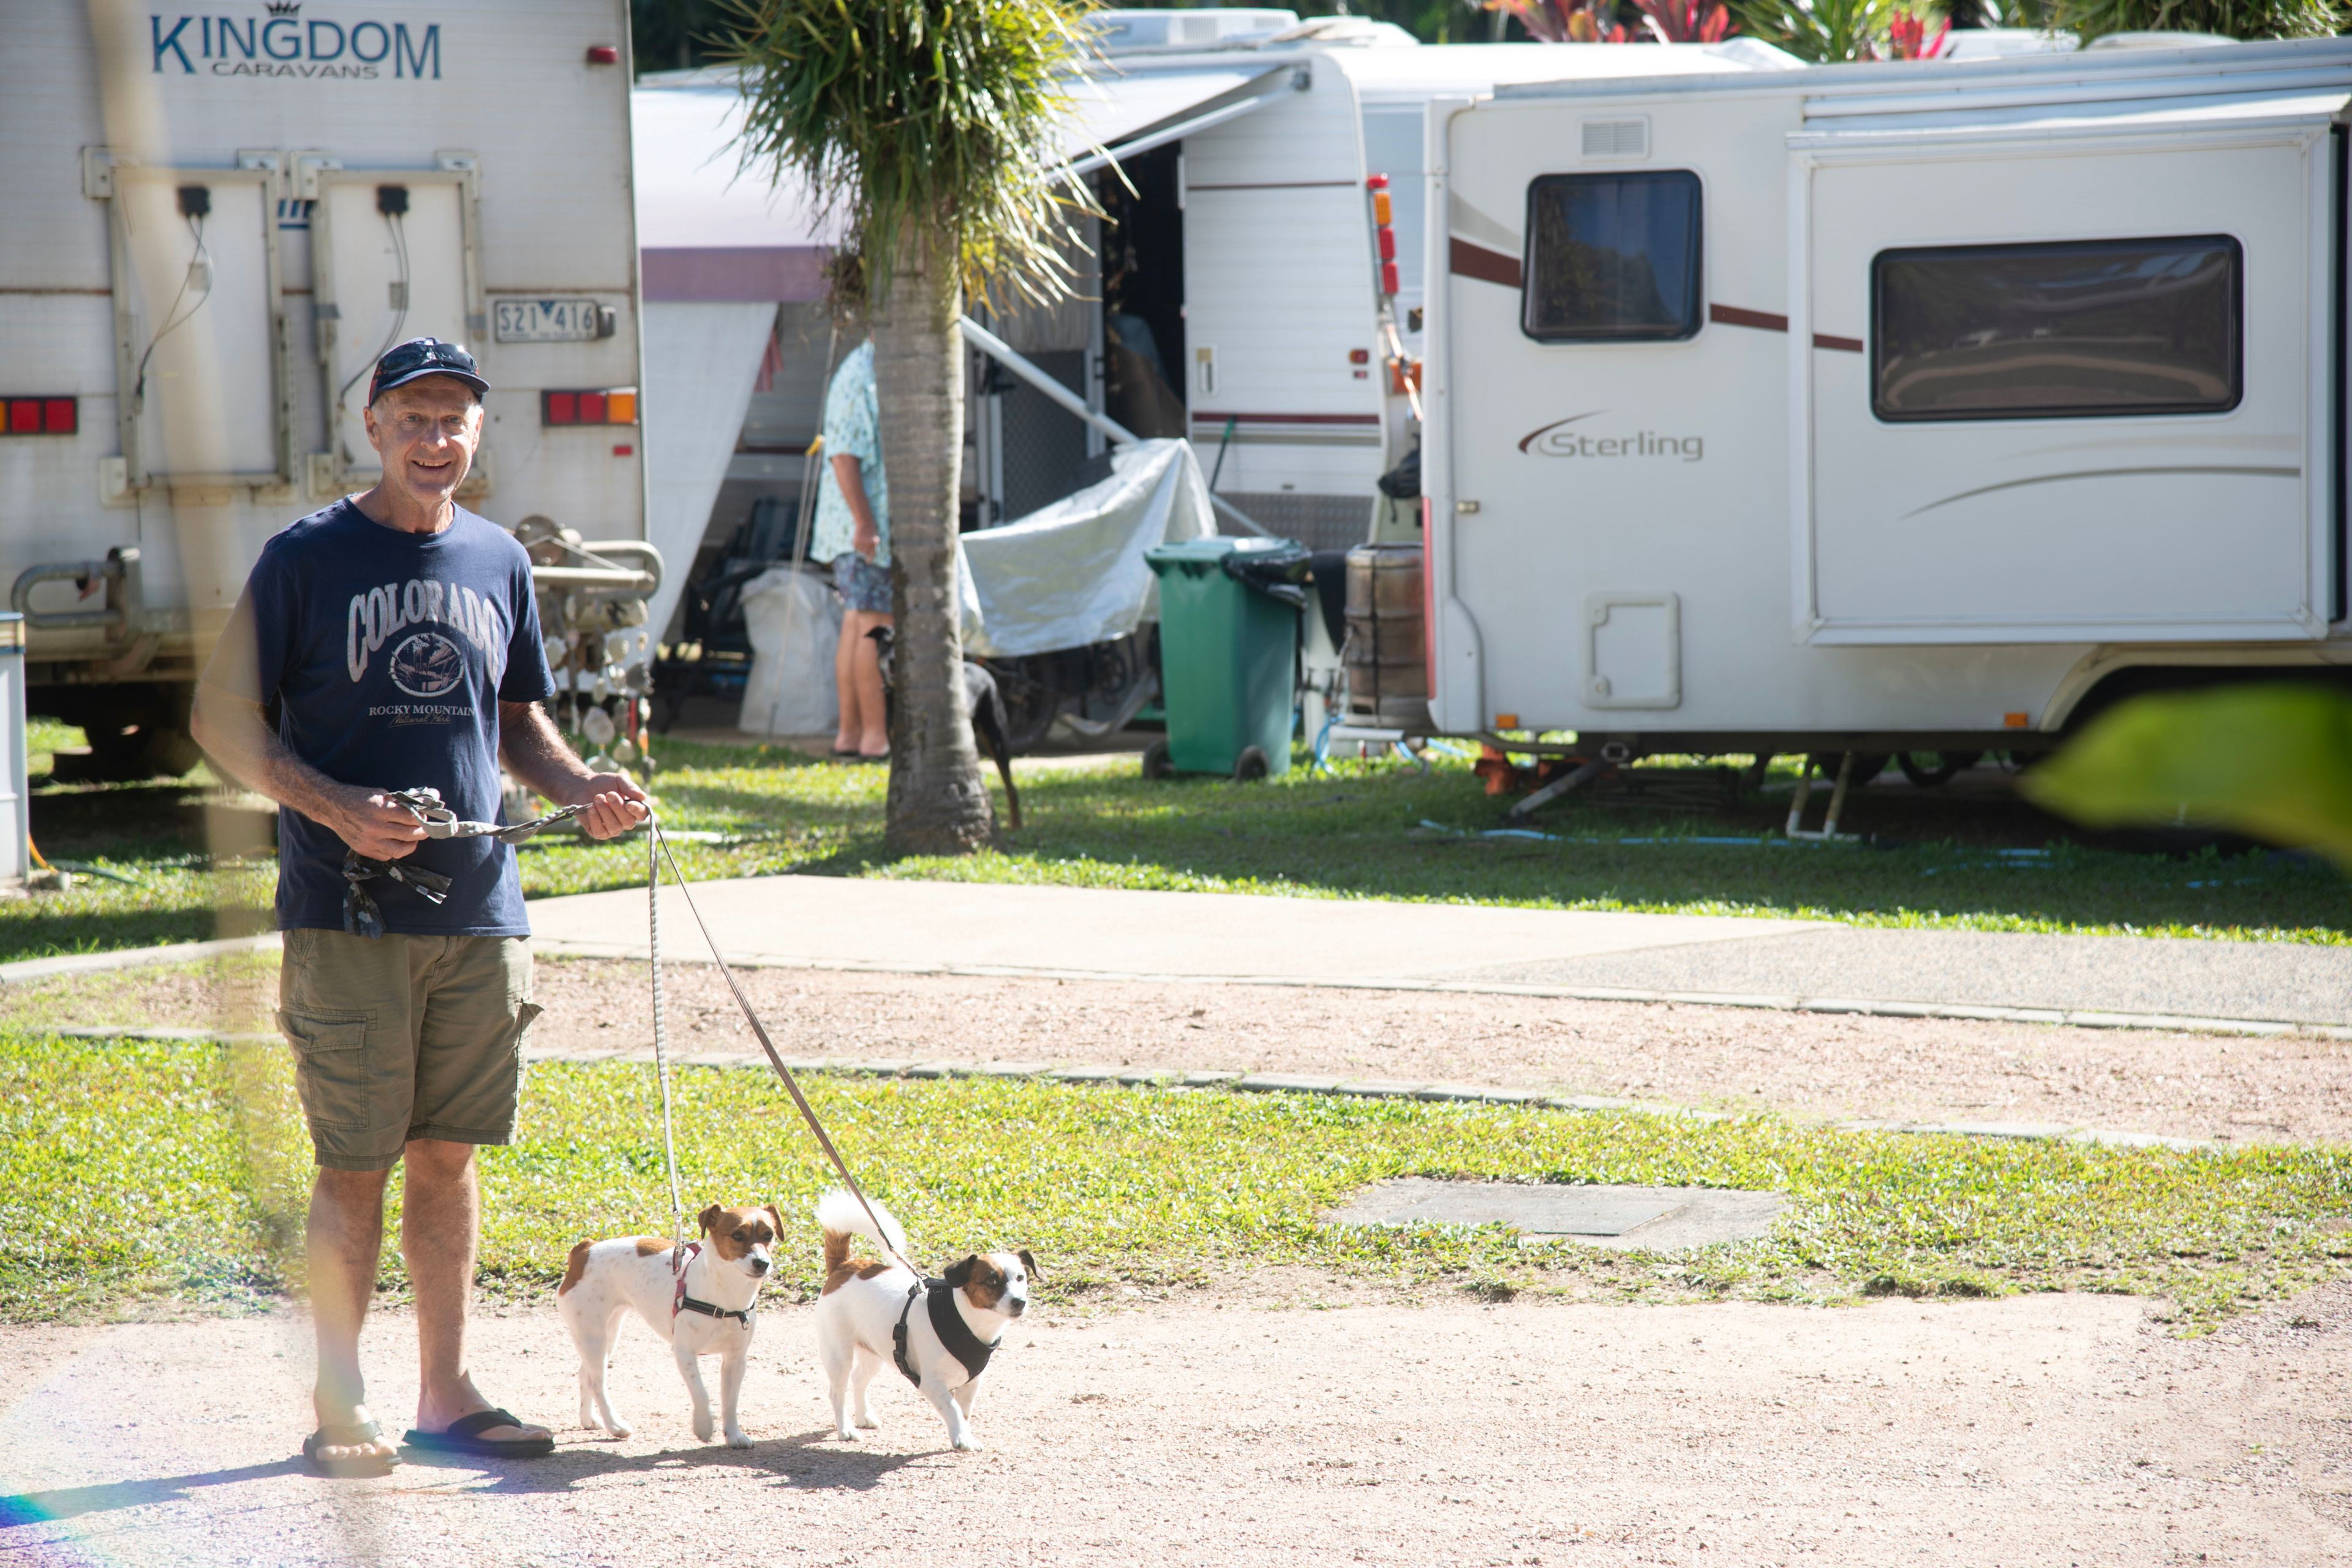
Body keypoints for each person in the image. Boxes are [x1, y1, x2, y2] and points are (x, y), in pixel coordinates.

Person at [190, 337, 650, 1479]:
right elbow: (220, 718)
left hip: (480, 913)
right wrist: (335, 805)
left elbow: (516, 720)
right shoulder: (305, 560)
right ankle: (340, 1407)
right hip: (347, 914)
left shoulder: (499, 559)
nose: (436, 440)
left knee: (449, 1158)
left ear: (477, 434)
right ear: (374, 427)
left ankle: (446, 1396)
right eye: (415, 420)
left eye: (455, 421)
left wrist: (580, 786)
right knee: (356, 1164)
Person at [809, 339, 891, 759]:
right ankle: (875, 737)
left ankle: (851, 735)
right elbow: (843, 455)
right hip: (862, 529)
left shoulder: (865, 366)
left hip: (857, 529)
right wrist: (864, 521)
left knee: (857, 622)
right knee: (874, 623)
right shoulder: (862, 371)